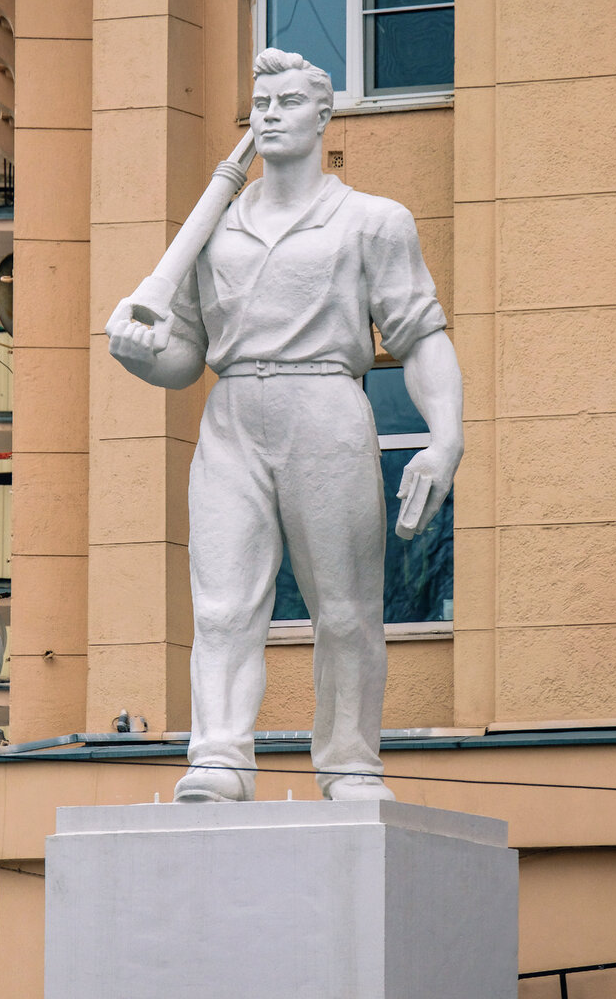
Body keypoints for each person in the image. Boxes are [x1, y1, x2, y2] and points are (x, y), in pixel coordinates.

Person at [106, 48, 463, 802]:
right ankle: (219, 758)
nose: (270, 115)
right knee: (222, 605)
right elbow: (187, 355)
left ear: (324, 115)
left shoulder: (372, 221)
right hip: (232, 415)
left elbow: (421, 335)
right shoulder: (214, 229)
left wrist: (445, 437)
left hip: (325, 408)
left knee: (347, 609)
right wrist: (141, 354)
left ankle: (350, 763)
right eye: (261, 104)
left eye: (289, 102)